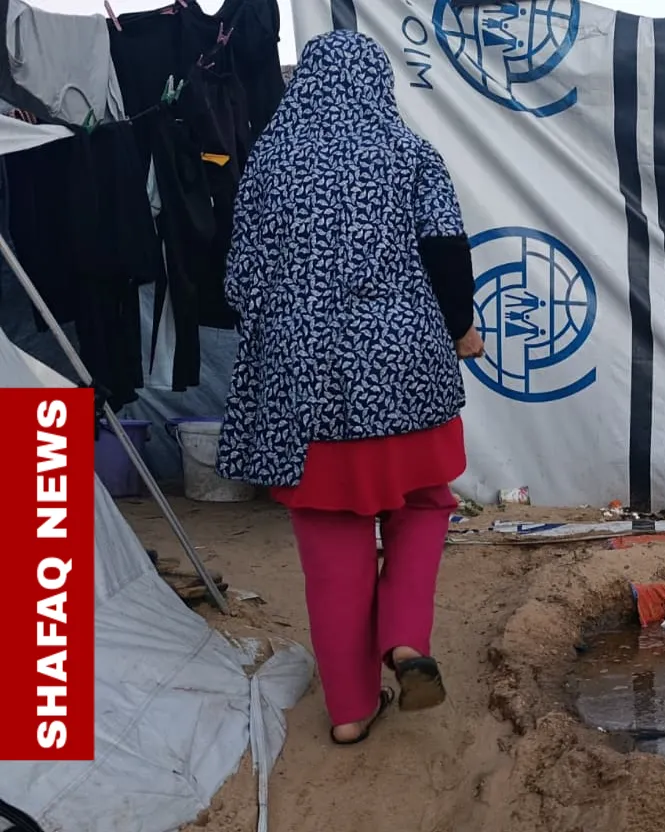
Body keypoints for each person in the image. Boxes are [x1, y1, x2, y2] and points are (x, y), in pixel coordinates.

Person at [215, 29, 484, 745]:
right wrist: (462, 328)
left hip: (304, 392)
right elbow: (446, 253)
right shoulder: (409, 153)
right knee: (423, 504)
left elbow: (238, 281)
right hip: (406, 377)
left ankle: (349, 711)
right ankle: (405, 639)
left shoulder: (269, 162)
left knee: (331, 541)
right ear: (376, 86)